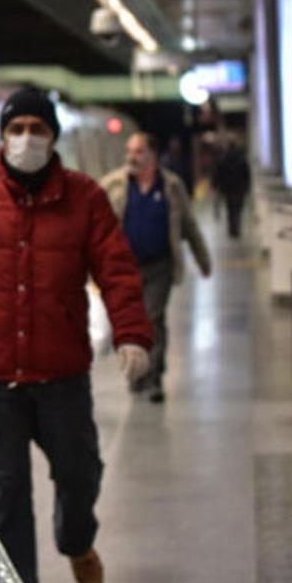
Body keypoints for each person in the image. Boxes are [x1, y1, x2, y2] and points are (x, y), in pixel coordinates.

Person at [0, 86, 153, 583]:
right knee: (7, 498)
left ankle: (76, 540)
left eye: (38, 129)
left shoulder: (86, 197)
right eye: (17, 129)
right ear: (3, 136)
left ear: (54, 137)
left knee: (81, 474)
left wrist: (133, 333)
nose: (27, 138)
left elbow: (116, 271)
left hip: (62, 373)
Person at [100, 131, 212, 403]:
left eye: (138, 152)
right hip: (124, 269)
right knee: (128, 322)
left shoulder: (171, 186)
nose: (132, 157)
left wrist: (203, 259)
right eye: (129, 151)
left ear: (152, 155)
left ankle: (152, 378)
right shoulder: (114, 185)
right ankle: (139, 372)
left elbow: (188, 225)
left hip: (159, 265)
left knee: (151, 318)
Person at [214, 138, 252, 238]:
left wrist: (218, 185)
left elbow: (219, 173)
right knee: (238, 209)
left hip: (228, 189)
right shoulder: (242, 158)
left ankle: (232, 228)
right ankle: (237, 227)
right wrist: (247, 186)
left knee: (230, 209)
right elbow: (247, 174)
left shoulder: (224, 158)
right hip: (239, 189)